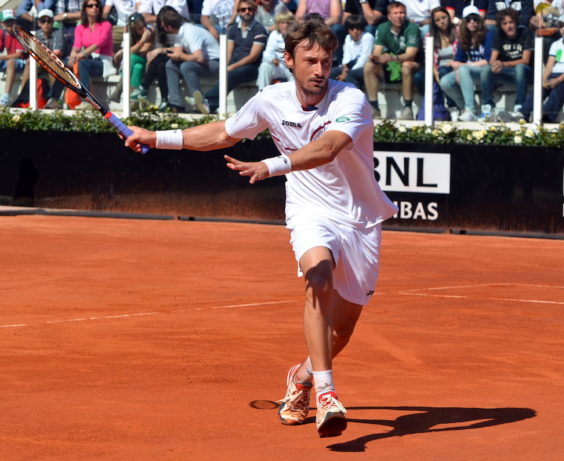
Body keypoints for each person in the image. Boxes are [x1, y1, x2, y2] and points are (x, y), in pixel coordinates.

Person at [124, 18, 397, 438]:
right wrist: (156, 137)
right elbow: (222, 133)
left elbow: (328, 149)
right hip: (310, 209)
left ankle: (303, 377)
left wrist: (271, 165)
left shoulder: (352, 100)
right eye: (309, 61)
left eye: (326, 61)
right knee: (318, 278)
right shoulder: (271, 99)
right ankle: (326, 395)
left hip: (360, 219)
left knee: (341, 331)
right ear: (288, 61)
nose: (319, 70)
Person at [202, 0, 267, 114]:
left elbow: (253, 56)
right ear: (238, 12)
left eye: (249, 9)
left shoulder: (259, 29)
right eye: (243, 9)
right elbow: (228, 53)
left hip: (251, 67)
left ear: (254, 11)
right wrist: (225, 66)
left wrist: (232, 67)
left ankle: (206, 98)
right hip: (235, 65)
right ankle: (211, 106)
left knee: (231, 74)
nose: (247, 12)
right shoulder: (234, 28)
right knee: (225, 72)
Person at [363, 1, 422, 119]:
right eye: (396, 13)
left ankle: (407, 108)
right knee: (369, 66)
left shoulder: (412, 27)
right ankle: (374, 107)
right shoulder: (383, 27)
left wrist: (392, 58)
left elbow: (411, 54)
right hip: (390, 64)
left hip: (414, 64)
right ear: (389, 16)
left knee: (407, 65)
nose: (399, 16)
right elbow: (377, 50)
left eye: (402, 13)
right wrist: (376, 58)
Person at [520, 12, 564, 122]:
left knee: (558, 91)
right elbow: (550, 64)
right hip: (554, 74)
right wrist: (544, 79)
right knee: (539, 89)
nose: (563, 29)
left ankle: (546, 117)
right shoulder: (556, 44)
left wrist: (558, 80)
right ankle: (523, 114)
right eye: (561, 26)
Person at [439, 4, 496, 121]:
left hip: (484, 71)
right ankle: (463, 107)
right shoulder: (463, 36)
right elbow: (459, 58)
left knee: (463, 70)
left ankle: (471, 110)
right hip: (469, 71)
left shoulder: (488, 33)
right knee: (445, 82)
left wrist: (463, 66)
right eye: (468, 20)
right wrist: (457, 68)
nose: (472, 22)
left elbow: (487, 60)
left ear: (479, 21)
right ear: (464, 22)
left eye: (475, 19)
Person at [160, 7, 219, 113]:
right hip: (204, 63)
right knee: (170, 64)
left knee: (186, 66)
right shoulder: (180, 32)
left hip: (215, 63)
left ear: (168, 27)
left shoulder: (189, 32)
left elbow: (199, 57)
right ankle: (176, 104)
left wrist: (181, 56)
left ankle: (200, 103)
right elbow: (177, 52)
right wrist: (161, 51)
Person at [485, 8, 533, 123]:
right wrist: (495, 64)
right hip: (506, 71)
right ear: (501, 26)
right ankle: (487, 105)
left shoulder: (525, 32)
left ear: (516, 22)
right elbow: (492, 59)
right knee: (486, 69)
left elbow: (525, 60)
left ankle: (519, 105)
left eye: (511, 22)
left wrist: (504, 63)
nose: (508, 26)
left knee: (520, 68)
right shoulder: (498, 34)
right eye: (505, 24)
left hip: (525, 72)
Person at [68, 0, 116, 110]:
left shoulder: (106, 25)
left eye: (97, 5)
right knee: (64, 64)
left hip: (103, 62)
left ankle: (88, 100)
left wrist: (81, 54)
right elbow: (76, 46)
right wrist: (72, 57)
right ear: (85, 9)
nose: (94, 8)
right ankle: (54, 98)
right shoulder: (80, 27)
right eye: (90, 5)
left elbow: (99, 43)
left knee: (83, 64)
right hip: (88, 60)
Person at [414, 6, 458, 120]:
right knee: (419, 76)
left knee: (443, 72)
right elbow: (427, 57)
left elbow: (461, 54)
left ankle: (453, 105)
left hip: (454, 66)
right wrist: (433, 70)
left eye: (443, 17)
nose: (442, 22)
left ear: (449, 17)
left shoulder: (457, 32)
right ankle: (429, 104)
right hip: (436, 67)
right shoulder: (430, 36)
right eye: (437, 20)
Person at [138, 6, 179, 109]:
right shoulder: (159, 30)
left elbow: (178, 50)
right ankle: (165, 100)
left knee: (159, 59)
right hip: (163, 60)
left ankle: (143, 88)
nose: (162, 24)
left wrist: (159, 51)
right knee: (160, 65)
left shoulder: (179, 29)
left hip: (179, 57)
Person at [114, 13, 154, 101]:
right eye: (140, 28)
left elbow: (142, 52)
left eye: (144, 26)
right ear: (134, 28)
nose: (143, 29)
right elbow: (129, 50)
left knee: (132, 58)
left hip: (146, 63)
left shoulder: (149, 32)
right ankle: (133, 97)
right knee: (137, 67)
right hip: (136, 64)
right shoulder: (131, 34)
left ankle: (119, 89)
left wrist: (143, 40)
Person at [330, 14, 373, 89]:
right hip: (350, 67)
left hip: (364, 67)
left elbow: (364, 59)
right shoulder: (348, 38)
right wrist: (344, 68)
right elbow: (347, 56)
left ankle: (356, 96)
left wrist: (347, 72)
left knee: (351, 75)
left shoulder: (368, 37)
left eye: (358, 29)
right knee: (333, 72)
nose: (355, 31)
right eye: (352, 29)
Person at [35, 9, 66, 108]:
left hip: (57, 63)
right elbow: (34, 54)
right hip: (42, 62)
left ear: (53, 22)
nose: (46, 23)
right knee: (29, 65)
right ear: (39, 23)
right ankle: (23, 98)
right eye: (43, 21)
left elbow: (57, 53)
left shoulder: (58, 32)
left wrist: (42, 56)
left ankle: (54, 99)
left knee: (52, 63)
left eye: (49, 21)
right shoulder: (36, 34)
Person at [256, 12, 295, 89]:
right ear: (278, 24)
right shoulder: (274, 34)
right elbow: (267, 54)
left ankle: (293, 96)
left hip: (291, 66)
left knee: (295, 73)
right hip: (279, 66)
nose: (286, 25)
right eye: (282, 23)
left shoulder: (296, 35)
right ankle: (262, 93)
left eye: (288, 23)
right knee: (264, 66)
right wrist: (272, 59)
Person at [0, 10, 28, 107]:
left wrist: (2, 57)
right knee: (10, 62)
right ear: (2, 23)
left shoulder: (20, 33)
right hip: (9, 60)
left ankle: (6, 96)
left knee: (11, 62)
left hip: (24, 62)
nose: (10, 24)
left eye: (11, 21)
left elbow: (18, 55)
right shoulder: (2, 33)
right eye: (7, 21)